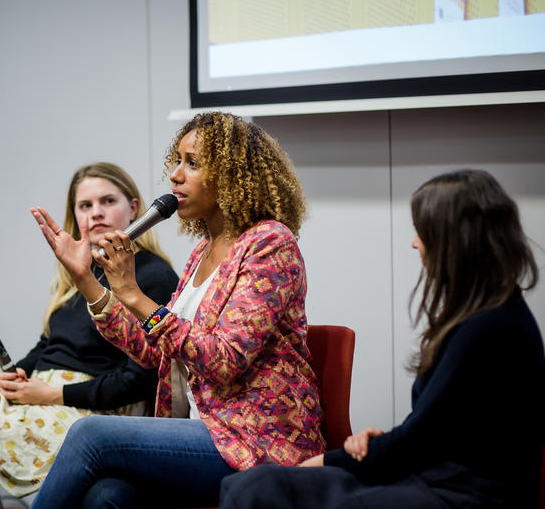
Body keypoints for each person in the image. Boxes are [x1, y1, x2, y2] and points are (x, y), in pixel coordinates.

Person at [29, 112, 325, 508]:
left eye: (192, 163)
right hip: (199, 432)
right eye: (177, 160)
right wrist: (86, 279)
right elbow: (156, 353)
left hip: (253, 441)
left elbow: (226, 359)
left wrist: (134, 295)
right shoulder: (202, 253)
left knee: (88, 435)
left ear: (232, 176)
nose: (174, 175)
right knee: (107, 496)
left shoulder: (270, 244)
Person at [219, 169, 545, 509]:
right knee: (257, 482)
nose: (414, 242)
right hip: (434, 477)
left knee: (261, 490)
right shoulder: (489, 315)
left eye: (422, 230)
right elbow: (438, 429)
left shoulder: (489, 327)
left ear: (453, 240)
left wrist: (331, 460)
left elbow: (421, 440)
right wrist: (376, 444)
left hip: (462, 495)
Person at [0, 163, 178, 508]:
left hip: (89, 407)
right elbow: (51, 343)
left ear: (134, 209)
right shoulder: (78, 273)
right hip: (42, 390)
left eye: (107, 201)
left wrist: (51, 394)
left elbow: (138, 380)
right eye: (85, 206)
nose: (96, 213)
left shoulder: (153, 275)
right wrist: (17, 373)